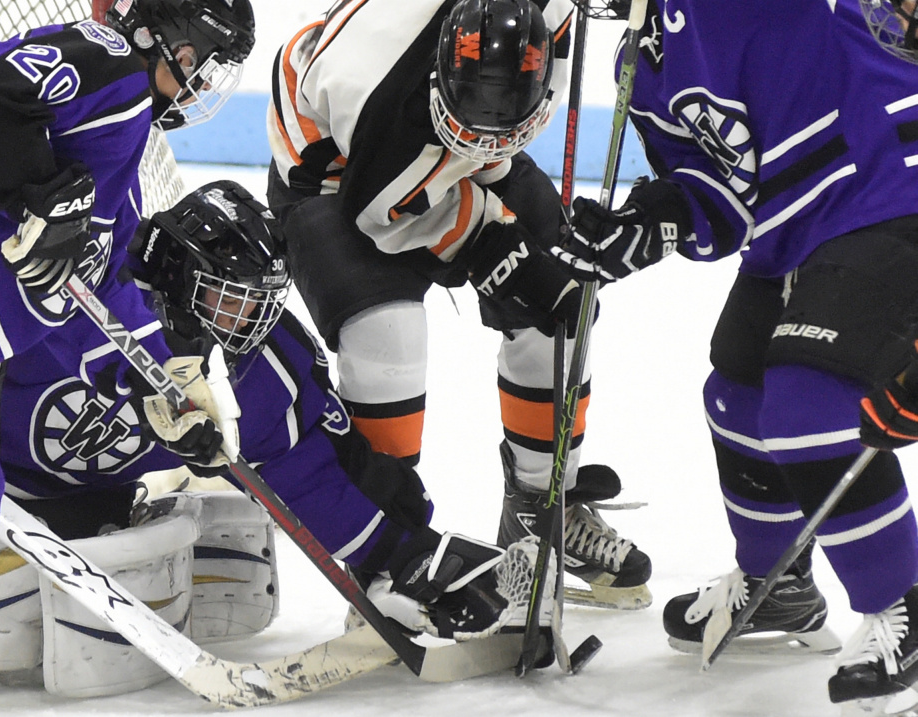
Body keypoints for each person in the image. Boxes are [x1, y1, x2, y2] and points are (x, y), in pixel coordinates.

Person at [0, 181, 557, 690]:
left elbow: (312, 466)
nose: (247, 321)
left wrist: (403, 552)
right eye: (230, 299)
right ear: (176, 279)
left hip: (74, 503)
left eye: (259, 301)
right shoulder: (72, 294)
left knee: (159, 581)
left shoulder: (255, 365)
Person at [554, 0, 918, 711]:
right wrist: (640, 226)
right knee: (736, 398)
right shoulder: (641, 60)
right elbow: (722, 197)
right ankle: (778, 583)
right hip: (798, 228)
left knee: (806, 402)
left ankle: (899, 601)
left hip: (890, 189)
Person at [264, 0, 652, 611]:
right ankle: (393, 550)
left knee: (566, 306)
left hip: (450, 122)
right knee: (385, 333)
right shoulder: (383, 106)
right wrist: (497, 245)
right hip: (340, 173)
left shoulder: (541, 12)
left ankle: (540, 508)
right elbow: (383, 215)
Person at [0, 0, 256, 636]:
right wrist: (34, 195)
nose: (205, 83)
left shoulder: (120, 149)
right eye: (203, 62)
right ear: (168, 37)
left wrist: (170, 385)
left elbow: (104, 284)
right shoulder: (116, 64)